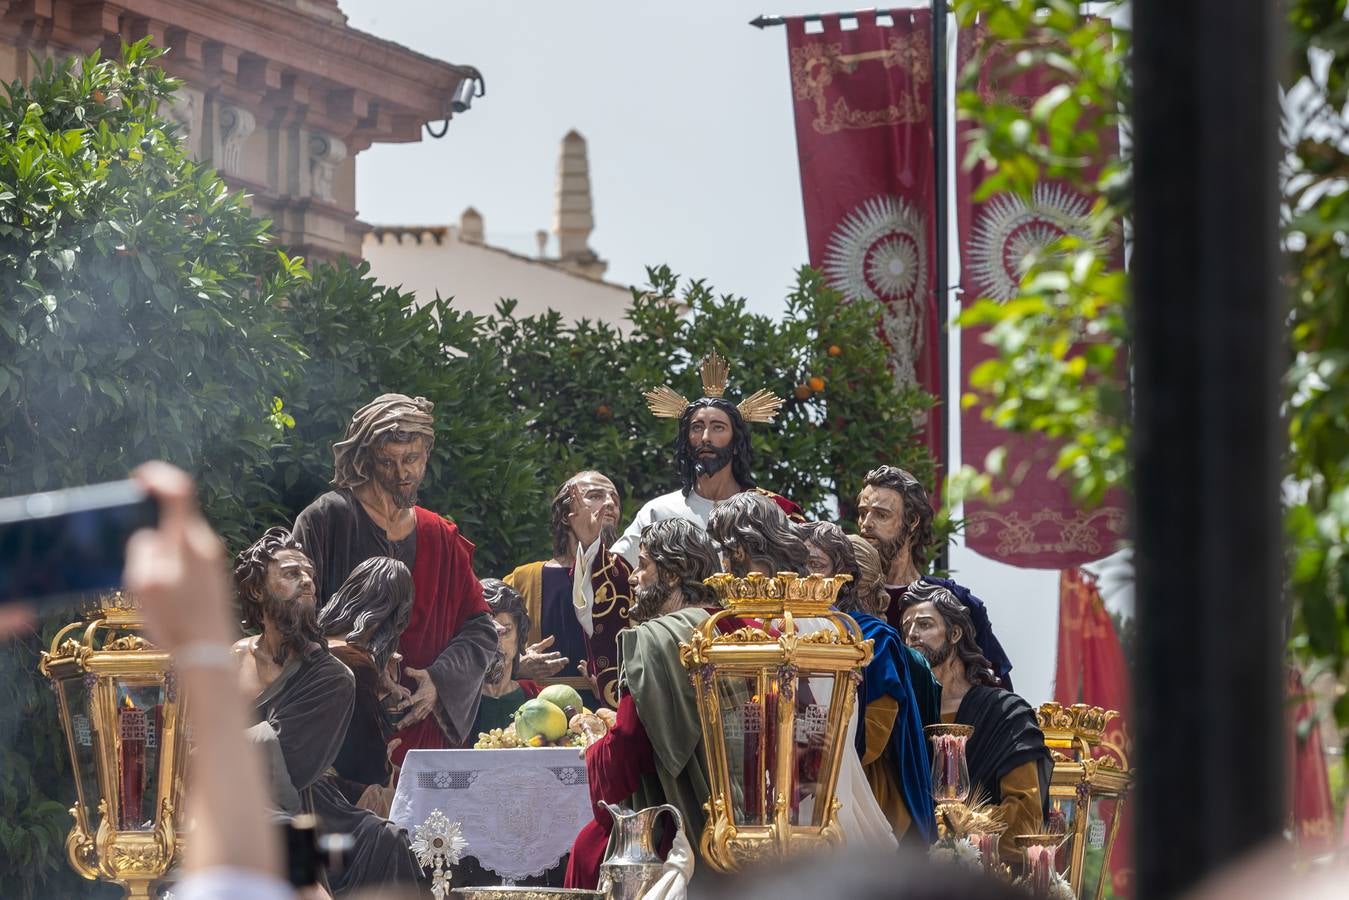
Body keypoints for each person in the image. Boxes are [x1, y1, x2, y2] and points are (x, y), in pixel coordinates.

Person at [292, 393, 496, 760]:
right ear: (368, 458)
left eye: (412, 459)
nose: (403, 474)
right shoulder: (327, 519)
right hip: (340, 734)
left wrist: (439, 681)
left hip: (423, 735)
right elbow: (291, 618)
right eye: (388, 462)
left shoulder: (439, 535)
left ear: (427, 454)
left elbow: (480, 628)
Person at [236, 530, 421, 895]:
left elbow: (288, 761)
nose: (306, 581)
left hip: (304, 810)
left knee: (386, 841)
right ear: (257, 590)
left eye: (310, 575)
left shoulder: (332, 676)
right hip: (227, 799)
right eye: (291, 573)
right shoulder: (231, 659)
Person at [564, 518, 723, 890]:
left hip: (675, 830)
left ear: (671, 573)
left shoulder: (652, 641)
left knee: (589, 848)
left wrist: (593, 742)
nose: (632, 577)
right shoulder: (733, 625)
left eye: (643, 564)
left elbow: (625, 755)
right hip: (743, 820)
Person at [898, 581, 1053, 864]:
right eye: (906, 627)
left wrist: (959, 829)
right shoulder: (906, 714)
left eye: (924, 624)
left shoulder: (1005, 713)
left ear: (955, 633)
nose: (911, 635)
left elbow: (1025, 816)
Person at [802, 525, 936, 844]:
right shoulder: (806, 629)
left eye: (817, 567)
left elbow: (874, 738)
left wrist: (824, 763)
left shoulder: (876, 638)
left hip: (868, 783)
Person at [611, 350, 802, 565]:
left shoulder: (770, 511)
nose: (705, 437)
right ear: (686, 441)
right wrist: (588, 542)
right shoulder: (659, 511)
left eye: (718, 428)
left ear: (736, 444)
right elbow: (618, 572)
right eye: (697, 427)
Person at [856, 465, 1014, 689]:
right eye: (863, 513)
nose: (866, 524)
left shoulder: (954, 601)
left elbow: (996, 687)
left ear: (912, 522)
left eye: (881, 514)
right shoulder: (844, 596)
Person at [503, 471, 628, 707]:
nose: (610, 503)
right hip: (537, 708)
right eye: (596, 495)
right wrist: (516, 665)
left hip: (610, 709)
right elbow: (486, 649)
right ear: (564, 515)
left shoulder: (626, 577)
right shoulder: (522, 580)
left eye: (615, 499)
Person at [474, 578, 543, 735]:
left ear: (520, 634)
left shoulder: (536, 698)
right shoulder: (455, 704)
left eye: (505, 631)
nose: (496, 642)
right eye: (487, 631)